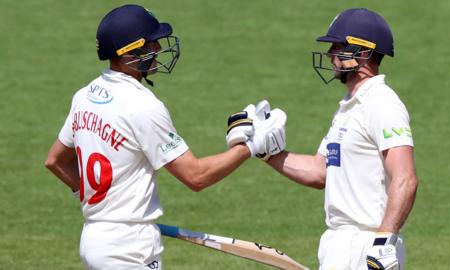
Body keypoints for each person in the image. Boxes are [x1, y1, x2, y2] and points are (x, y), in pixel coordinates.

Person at [44, 4, 285, 270]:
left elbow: (55, 161)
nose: (158, 49)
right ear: (130, 52)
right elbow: (196, 176)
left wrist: (107, 207)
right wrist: (251, 146)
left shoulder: (84, 97)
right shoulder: (142, 105)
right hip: (129, 248)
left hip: (93, 238)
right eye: (151, 44)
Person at [255, 8, 418, 270]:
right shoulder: (348, 107)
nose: (331, 54)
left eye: (337, 47)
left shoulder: (382, 104)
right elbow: (320, 172)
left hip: (368, 246)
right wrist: (268, 155)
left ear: (362, 53)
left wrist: (384, 243)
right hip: (339, 244)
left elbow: (405, 178)